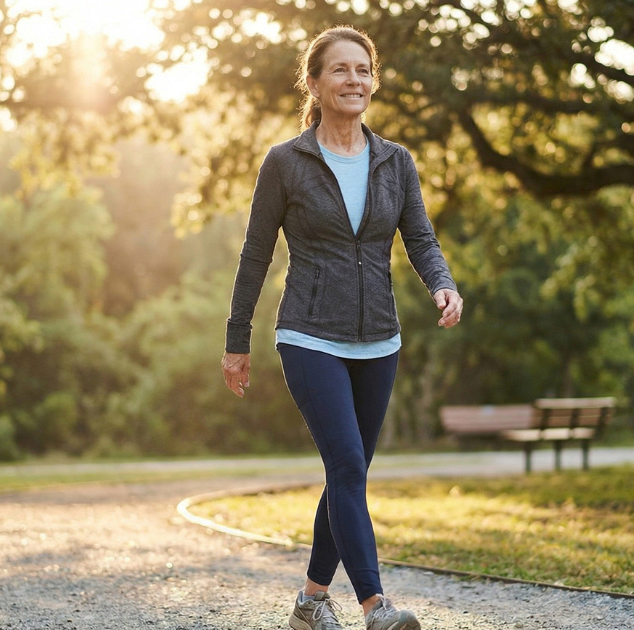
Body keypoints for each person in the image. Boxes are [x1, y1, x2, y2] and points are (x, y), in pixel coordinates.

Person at [220, 25, 462, 630]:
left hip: (379, 336)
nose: (353, 80)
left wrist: (443, 282)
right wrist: (236, 340)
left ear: (372, 81)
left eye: (362, 69)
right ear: (314, 82)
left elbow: (420, 237)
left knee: (345, 473)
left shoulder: (395, 161)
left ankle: (309, 602)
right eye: (339, 69)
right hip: (308, 333)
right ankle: (376, 607)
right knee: (349, 466)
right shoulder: (286, 162)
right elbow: (255, 254)